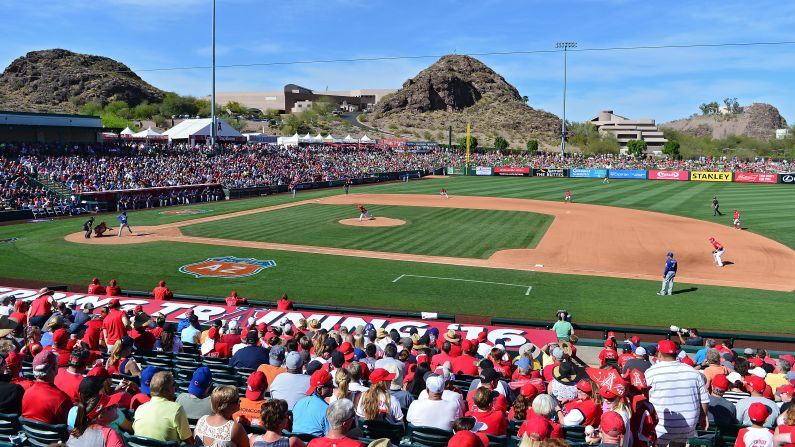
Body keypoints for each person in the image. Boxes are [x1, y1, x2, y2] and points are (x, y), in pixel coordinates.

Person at [645, 339, 709, 445]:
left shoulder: (651, 372)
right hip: (687, 424)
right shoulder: (693, 371)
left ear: (659, 354)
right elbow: (704, 399)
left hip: (661, 425)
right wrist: (703, 416)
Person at [133, 371, 194, 445]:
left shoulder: (140, 409)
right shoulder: (176, 409)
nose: (175, 387)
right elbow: (189, 441)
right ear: (167, 390)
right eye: (174, 384)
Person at [22, 351, 71, 424]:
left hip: (29, 434)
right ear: (54, 368)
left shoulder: (26, 392)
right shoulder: (61, 399)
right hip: (54, 434)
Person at [292, 369, 333, 436]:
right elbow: (330, 436)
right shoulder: (327, 409)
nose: (333, 387)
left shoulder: (299, 402)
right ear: (319, 389)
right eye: (330, 385)